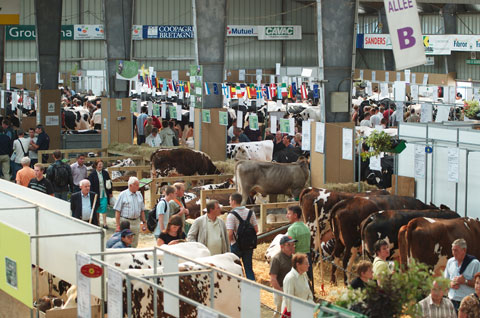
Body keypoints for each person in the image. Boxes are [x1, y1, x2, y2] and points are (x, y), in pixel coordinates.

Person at [226, 192, 258, 281]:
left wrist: (229, 244)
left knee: (234, 268)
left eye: (230, 200)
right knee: (248, 268)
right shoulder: (251, 212)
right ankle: (253, 290)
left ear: (233, 201)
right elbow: (256, 230)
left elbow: (230, 233)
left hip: (236, 245)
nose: (229, 202)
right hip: (248, 245)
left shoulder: (231, 215)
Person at [444, 238, 480, 311]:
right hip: (451, 301)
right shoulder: (450, 262)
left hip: (468, 303)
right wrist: (450, 284)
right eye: (452, 250)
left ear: (464, 250)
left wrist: (465, 281)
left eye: (456, 250)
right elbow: (445, 280)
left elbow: (478, 284)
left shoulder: (475, 263)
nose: (454, 253)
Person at [113, 176, 146, 248]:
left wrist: (144, 222)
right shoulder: (123, 195)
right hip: (126, 221)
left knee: (135, 240)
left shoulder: (139, 195)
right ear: (131, 185)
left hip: (136, 221)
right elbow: (117, 211)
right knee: (125, 241)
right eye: (136, 185)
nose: (138, 187)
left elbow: (142, 210)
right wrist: (118, 225)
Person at [286, 205, 313, 291]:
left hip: (297, 258)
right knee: (308, 279)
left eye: (289, 214)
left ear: (295, 215)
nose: (287, 216)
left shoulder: (292, 229)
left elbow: (290, 246)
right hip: (307, 256)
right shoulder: (306, 227)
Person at [270, 236, 296, 318]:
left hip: (292, 288)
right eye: (288, 245)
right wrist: (281, 292)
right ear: (282, 247)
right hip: (281, 288)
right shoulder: (276, 259)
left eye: (293, 245)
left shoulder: (294, 258)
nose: (292, 247)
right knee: (280, 310)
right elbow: (273, 279)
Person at [88, 159, 113, 229]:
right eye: (99, 164)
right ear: (96, 165)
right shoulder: (92, 174)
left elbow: (109, 182)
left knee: (104, 207)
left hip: (104, 193)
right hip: (96, 194)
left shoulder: (105, 173)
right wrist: (92, 194)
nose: (100, 166)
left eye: (101, 164)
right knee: (97, 208)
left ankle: (105, 223)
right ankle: (98, 222)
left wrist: (110, 192)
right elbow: (91, 185)